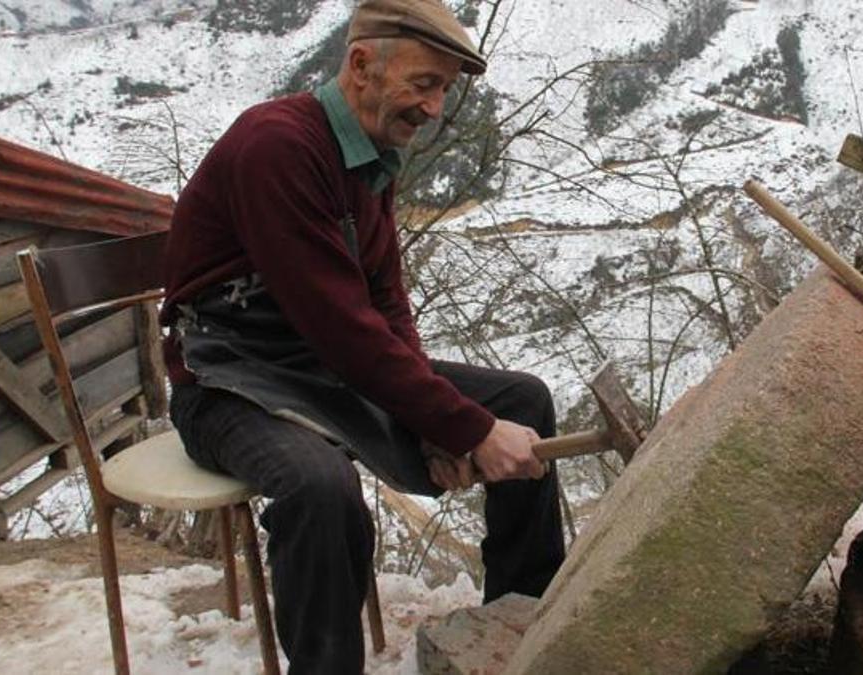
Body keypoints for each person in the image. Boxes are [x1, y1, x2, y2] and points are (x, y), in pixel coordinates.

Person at [159, 1, 565, 671]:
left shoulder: (369, 159)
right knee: (319, 489)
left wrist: (437, 423)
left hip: (320, 370)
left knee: (522, 401)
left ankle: (523, 626)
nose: (434, 108)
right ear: (360, 64)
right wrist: (467, 429)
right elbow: (342, 327)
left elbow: (385, 305)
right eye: (425, 83)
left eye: (443, 90)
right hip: (225, 385)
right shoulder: (278, 147)